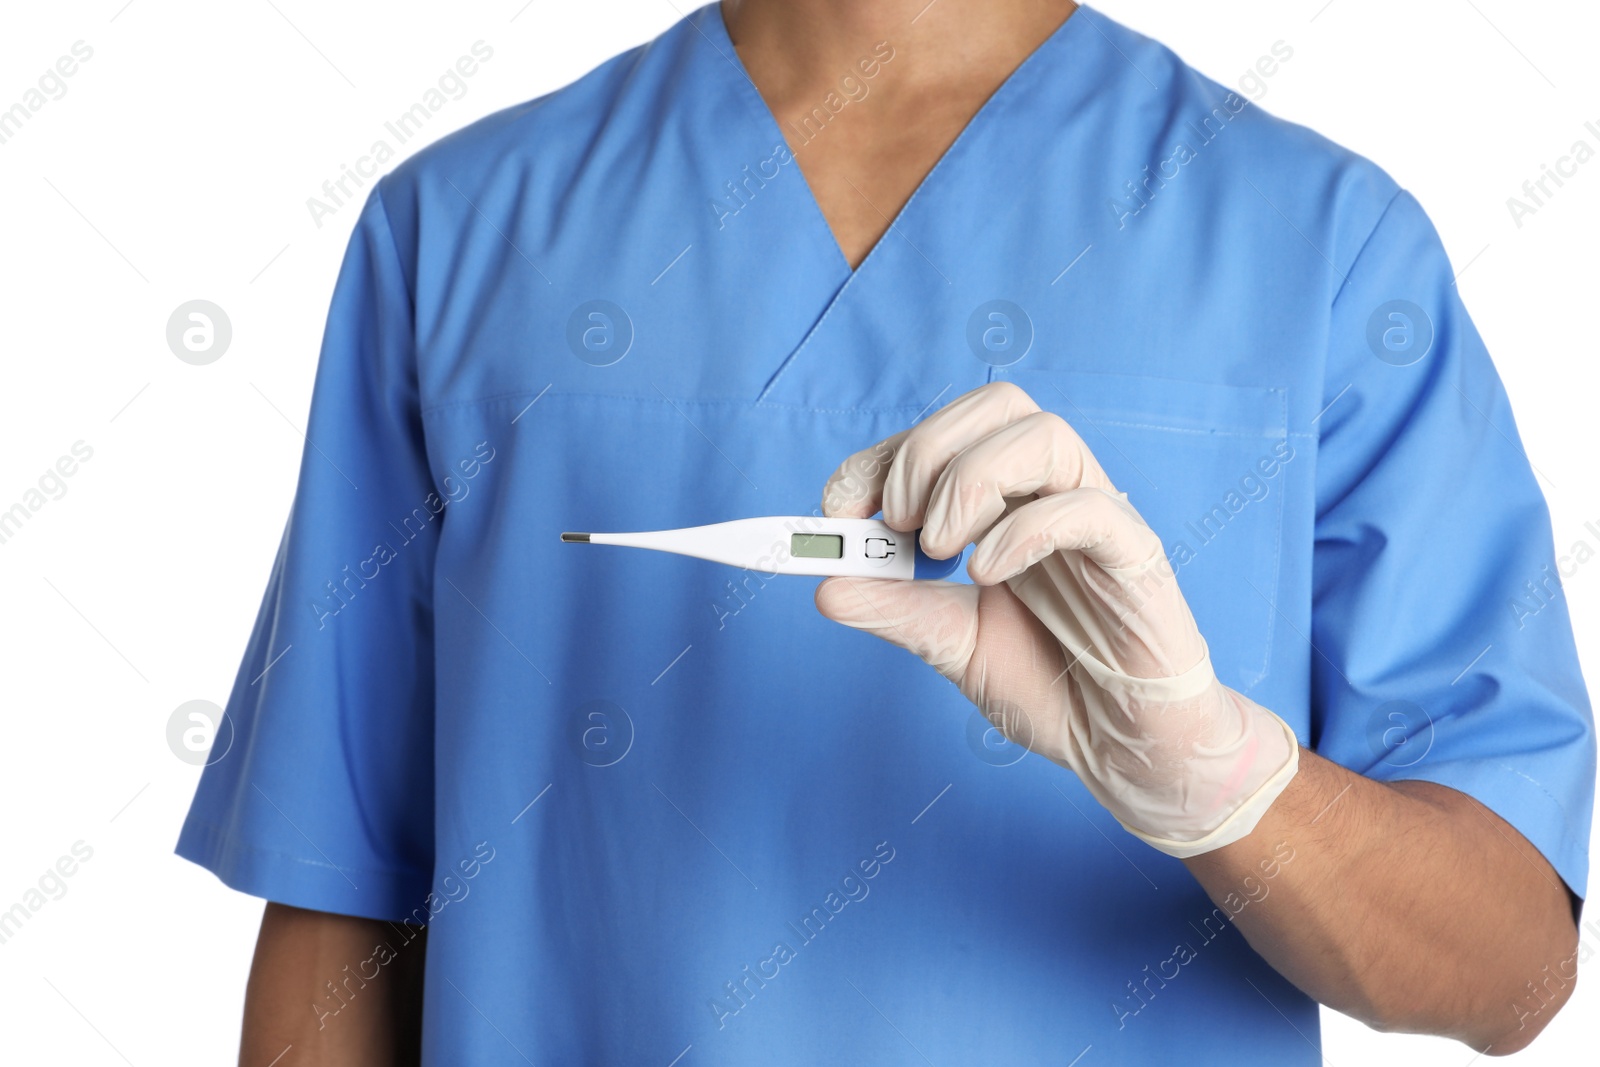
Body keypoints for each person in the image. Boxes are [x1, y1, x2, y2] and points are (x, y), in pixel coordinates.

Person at [179, 1, 1594, 1063]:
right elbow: (346, 894)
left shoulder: (1321, 249)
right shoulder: (459, 232)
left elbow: (1514, 971)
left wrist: (1227, 789)